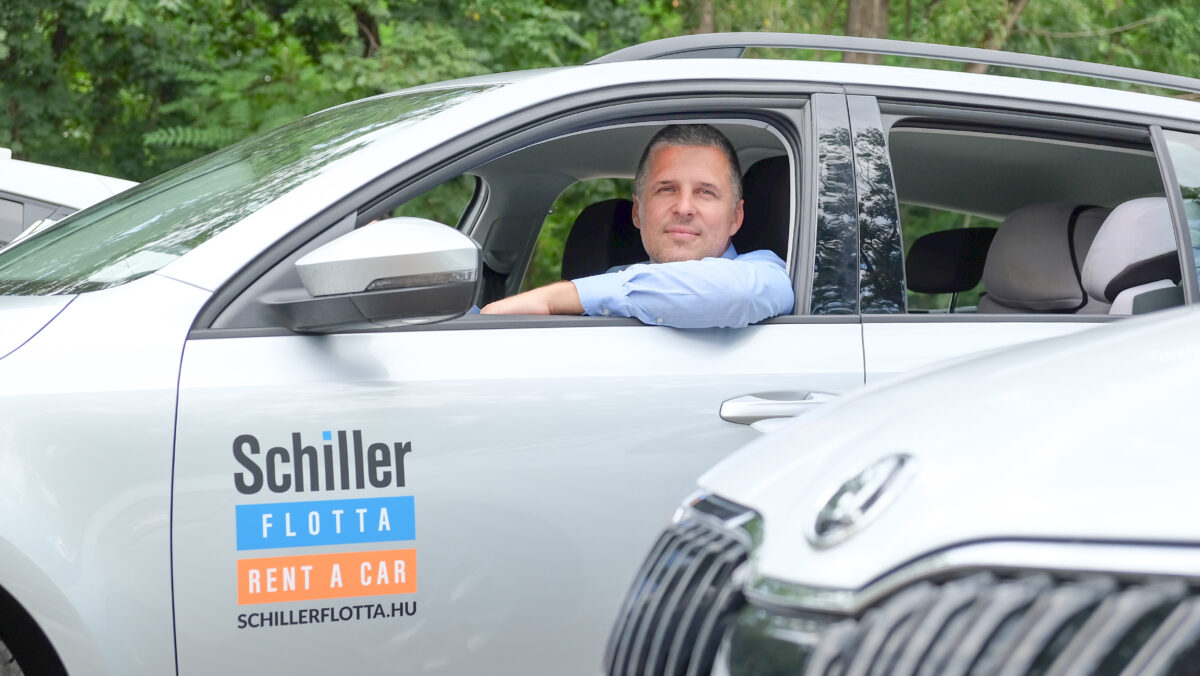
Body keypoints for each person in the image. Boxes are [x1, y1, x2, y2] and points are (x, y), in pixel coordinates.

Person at [480, 124, 794, 328]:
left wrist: (555, 300)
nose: (684, 207)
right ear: (637, 212)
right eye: (667, 189)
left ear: (736, 217)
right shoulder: (610, 282)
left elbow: (733, 294)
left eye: (705, 192)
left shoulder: (767, 274)